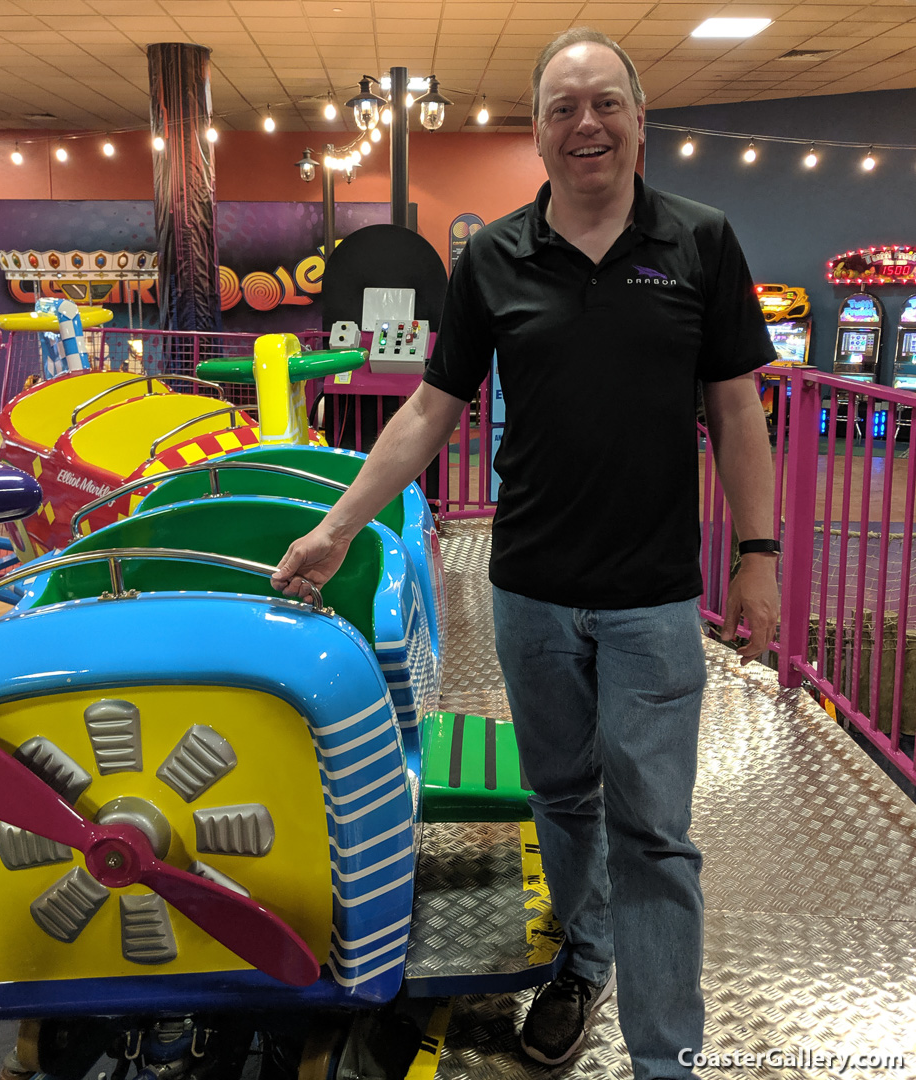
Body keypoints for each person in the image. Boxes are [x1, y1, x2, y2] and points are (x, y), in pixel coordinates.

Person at [272, 26, 780, 1080]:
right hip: (532, 593)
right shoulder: (493, 256)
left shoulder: (701, 241)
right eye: (562, 108)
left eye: (605, 104)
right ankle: (583, 962)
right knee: (561, 798)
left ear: (641, 122)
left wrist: (757, 553)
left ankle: (666, 1058)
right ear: (540, 133)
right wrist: (338, 524)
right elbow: (429, 409)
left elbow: (737, 410)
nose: (585, 124)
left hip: (652, 599)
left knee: (656, 836)